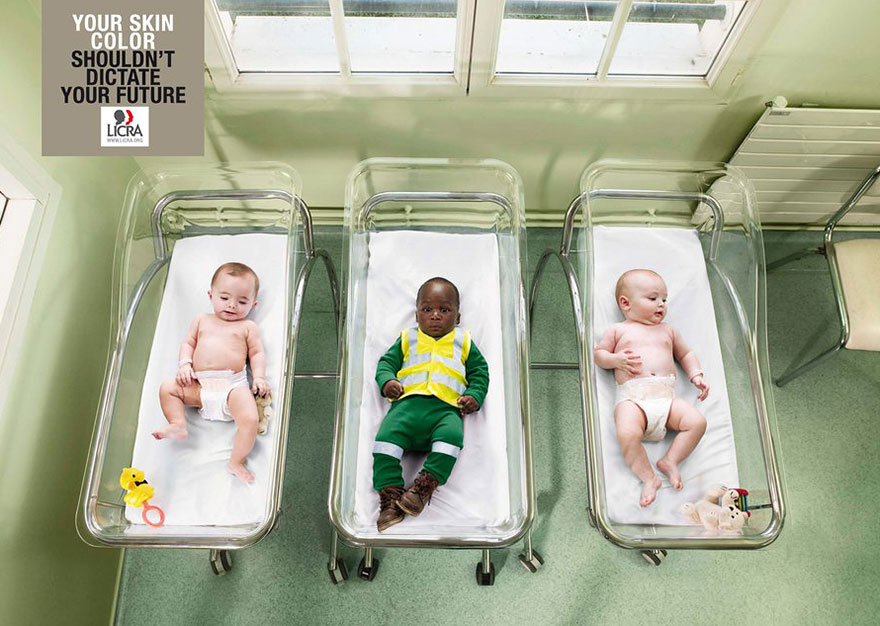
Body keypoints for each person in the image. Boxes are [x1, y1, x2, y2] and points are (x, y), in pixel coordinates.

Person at [372, 277, 490, 532]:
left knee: (452, 439)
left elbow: (480, 373)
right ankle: (390, 497)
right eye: (427, 309)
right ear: (417, 315)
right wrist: (387, 381)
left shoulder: (464, 342)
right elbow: (386, 363)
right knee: (384, 443)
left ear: (458, 317)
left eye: (444, 310)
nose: (435, 316)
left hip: (445, 411)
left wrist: (474, 396)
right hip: (404, 409)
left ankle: (423, 487)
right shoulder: (407, 338)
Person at [594, 269, 709, 507]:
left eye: (664, 299)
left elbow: (686, 354)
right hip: (633, 399)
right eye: (653, 298)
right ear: (625, 303)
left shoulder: (669, 330)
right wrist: (615, 360)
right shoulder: (619, 330)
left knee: (697, 422)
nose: (661, 304)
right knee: (627, 433)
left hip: (666, 398)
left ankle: (670, 460)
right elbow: (599, 355)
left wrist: (696, 375)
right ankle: (649, 478)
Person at [152, 262, 269, 484]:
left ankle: (236, 461)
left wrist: (260, 377)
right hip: (199, 386)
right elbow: (188, 343)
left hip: (232, 386)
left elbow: (257, 353)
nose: (232, 305)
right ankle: (178, 424)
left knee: (250, 419)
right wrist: (185, 365)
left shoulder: (247, 327)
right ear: (211, 295)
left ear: (253, 304)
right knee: (167, 389)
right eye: (224, 298)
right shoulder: (201, 320)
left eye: (242, 301)